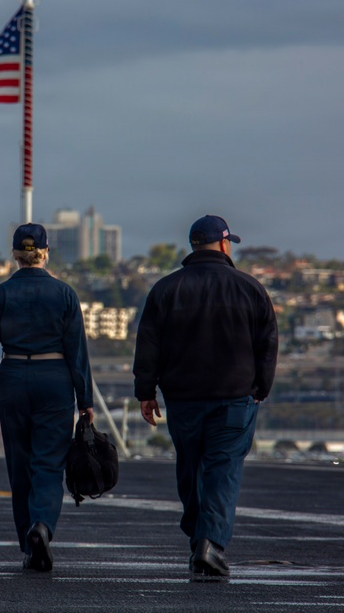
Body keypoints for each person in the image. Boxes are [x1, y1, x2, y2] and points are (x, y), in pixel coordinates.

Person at [133, 214, 277, 579]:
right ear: (225, 244)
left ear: (193, 246)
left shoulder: (166, 289)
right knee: (222, 471)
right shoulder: (251, 289)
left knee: (190, 469)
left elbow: (148, 344)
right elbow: (268, 344)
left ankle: (201, 537)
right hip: (234, 399)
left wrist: (145, 392)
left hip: (182, 400)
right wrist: (262, 386)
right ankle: (209, 543)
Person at [0, 223, 95, 573]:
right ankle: (42, 525)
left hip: (13, 380)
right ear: (45, 252)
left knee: (19, 466)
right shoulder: (65, 294)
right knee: (49, 464)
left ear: (14, 255)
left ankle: (28, 543)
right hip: (54, 379)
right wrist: (86, 399)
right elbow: (77, 352)